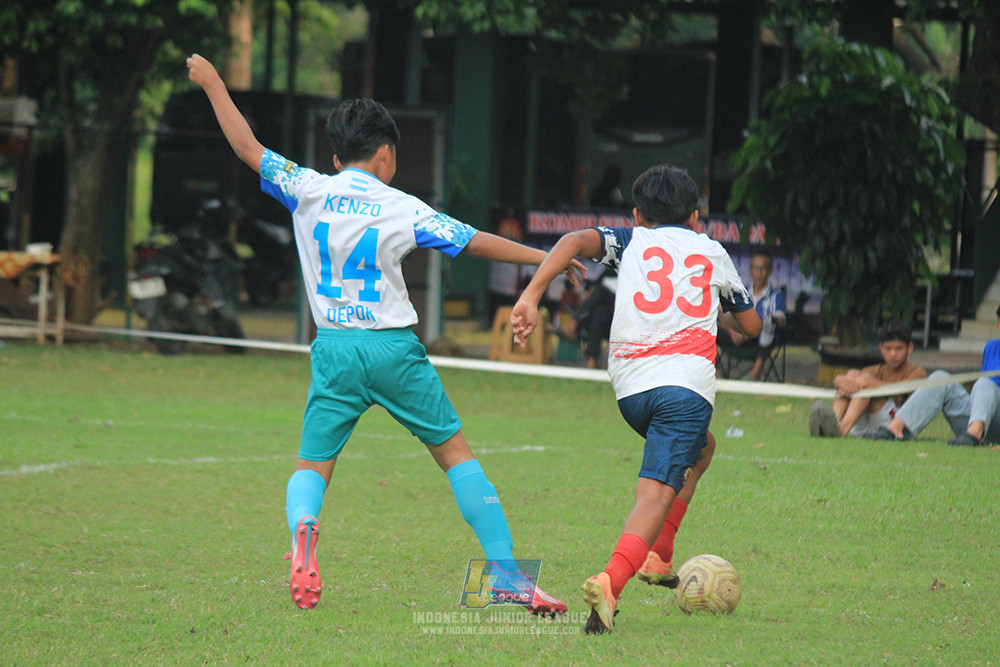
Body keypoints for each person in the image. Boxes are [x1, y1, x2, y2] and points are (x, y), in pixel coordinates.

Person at [187, 54, 585, 615]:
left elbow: (247, 147)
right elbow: (473, 241)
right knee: (455, 455)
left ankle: (304, 529)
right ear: (386, 154)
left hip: (334, 350)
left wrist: (213, 84)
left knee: (312, 466)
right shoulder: (404, 208)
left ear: (334, 156)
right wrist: (546, 258)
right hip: (394, 350)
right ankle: (505, 574)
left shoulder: (307, 188)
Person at [510, 164, 761, 634]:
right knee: (654, 493)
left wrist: (531, 295)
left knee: (702, 449)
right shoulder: (712, 251)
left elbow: (571, 243)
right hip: (683, 387)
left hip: (630, 390)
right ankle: (611, 584)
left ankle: (658, 553)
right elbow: (751, 328)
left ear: (637, 215)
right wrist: (719, 315)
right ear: (695, 218)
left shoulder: (631, 241)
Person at [870, 304, 1000, 446]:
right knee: (940, 378)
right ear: (998, 325)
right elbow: (984, 396)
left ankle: (975, 434)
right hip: (983, 422)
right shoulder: (992, 347)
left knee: (985, 383)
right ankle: (896, 429)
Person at [808, 319, 926, 438]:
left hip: (893, 425)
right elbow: (854, 380)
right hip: (865, 424)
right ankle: (834, 423)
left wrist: (870, 383)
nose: (893, 354)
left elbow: (900, 388)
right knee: (853, 374)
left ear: (909, 348)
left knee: (866, 384)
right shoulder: (875, 369)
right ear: (881, 348)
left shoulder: (917, 372)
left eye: (899, 349)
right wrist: (840, 381)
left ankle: (841, 431)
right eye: (888, 349)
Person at [716, 250, 786, 380]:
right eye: (756, 268)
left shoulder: (776, 295)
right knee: (711, 318)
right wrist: (732, 330)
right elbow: (727, 315)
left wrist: (752, 327)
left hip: (758, 340)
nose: (759, 273)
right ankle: (716, 376)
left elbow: (780, 319)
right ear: (750, 270)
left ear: (770, 270)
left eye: (763, 268)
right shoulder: (741, 292)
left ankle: (755, 373)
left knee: (770, 321)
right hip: (736, 337)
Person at [576, 270, 617, 369]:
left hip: (624, 322)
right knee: (599, 313)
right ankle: (592, 359)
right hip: (605, 322)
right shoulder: (607, 276)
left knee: (598, 313)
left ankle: (593, 359)